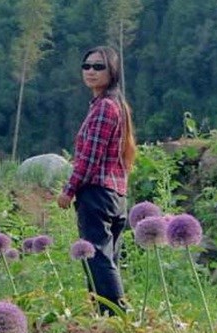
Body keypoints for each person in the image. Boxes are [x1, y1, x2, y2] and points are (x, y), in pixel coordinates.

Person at [58, 46, 136, 313]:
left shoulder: (104, 108)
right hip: (116, 195)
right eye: (86, 66)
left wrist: (68, 191)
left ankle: (118, 315)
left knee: (97, 258)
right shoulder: (119, 106)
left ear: (112, 71)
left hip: (97, 194)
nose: (90, 71)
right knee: (107, 258)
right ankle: (104, 317)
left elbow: (90, 158)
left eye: (98, 66)